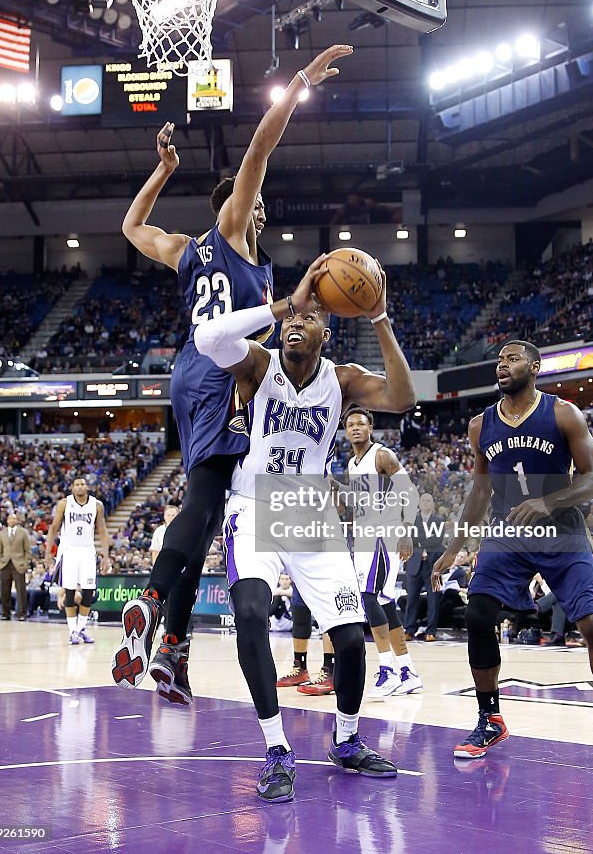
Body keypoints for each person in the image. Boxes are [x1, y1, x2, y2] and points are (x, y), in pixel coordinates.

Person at [115, 254, 416, 801]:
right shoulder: (258, 364)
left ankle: (346, 741)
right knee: (251, 616)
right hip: (253, 507)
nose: (299, 324)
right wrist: (283, 304)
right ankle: (277, 748)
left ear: (329, 329)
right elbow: (207, 338)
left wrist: (379, 318)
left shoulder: (342, 380)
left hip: (310, 512)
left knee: (350, 641)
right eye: (294, 319)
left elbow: (402, 398)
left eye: (311, 317)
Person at [115, 45, 352, 706]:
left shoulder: (186, 253)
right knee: (204, 501)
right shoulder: (234, 233)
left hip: (189, 374)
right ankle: (155, 603)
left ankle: (172, 647)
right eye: (256, 205)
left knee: (213, 503)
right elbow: (256, 152)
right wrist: (298, 85)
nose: (263, 209)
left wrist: (162, 169)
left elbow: (131, 226)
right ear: (239, 209)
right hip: (221, 372)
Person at [433, 339, 593, 764]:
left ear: (535, 366)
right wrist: (453, 548)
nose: (502, 365)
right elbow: (479, 491)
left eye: (512, 359)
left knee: (592, 625)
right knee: (477, 614)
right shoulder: (480, 426)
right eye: (499, 360)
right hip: (506, 533)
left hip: (562, 532)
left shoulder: (563, 413)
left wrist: (549, 502)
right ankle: (490, 719)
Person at [341, 407, 422, 698]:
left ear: (370, 426)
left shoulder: (382, 455)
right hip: (364, 539)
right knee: (385, 602)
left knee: (369, 597)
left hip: (384, 536)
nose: (355, 428)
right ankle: (407, 671)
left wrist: (407, 531)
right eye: (350, 425)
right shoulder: (351, 464)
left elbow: (409, 492)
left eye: (361, 423)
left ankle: (387, 669)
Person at [45, 477, 110, 645]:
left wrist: (106, 556)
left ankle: (81, 628)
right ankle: (72, 630)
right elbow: (53, 528)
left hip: (88, 550)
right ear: (72, 488)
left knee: (89, 591)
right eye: (77, 484)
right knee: (70, 590)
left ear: (87, 487)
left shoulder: (96, 505)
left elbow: (102, 530)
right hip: (69, 550)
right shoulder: (64, 504)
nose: (81, 487)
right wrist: (47, 553)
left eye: (83, 484)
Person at [403, 493, 446, 641]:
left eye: (429, 500)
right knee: (412, 598)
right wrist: (424, 540)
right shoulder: (411, 520)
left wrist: (419, 542)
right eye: (423, 500)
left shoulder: (439, 521)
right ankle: (408, 630)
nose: (426, 503)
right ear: (419, 503)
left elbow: (437, 539)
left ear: (433, 504)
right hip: (414, 563)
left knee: (433, 599)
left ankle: (431, 631)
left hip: (433, 565)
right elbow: (410, 538)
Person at [0, 512, 30, 621]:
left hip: (18, 564)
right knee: (4, 590)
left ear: (17, 520)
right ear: (7, 520)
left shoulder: (23, 532)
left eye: (13, 518)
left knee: (21, 590)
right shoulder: (2, 533)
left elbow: (27, 550)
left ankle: (21, 613)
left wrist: (25, 564)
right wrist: (0, 561)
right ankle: (5, 613)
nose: (11, 520)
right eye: (10, 518)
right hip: (5, 564)